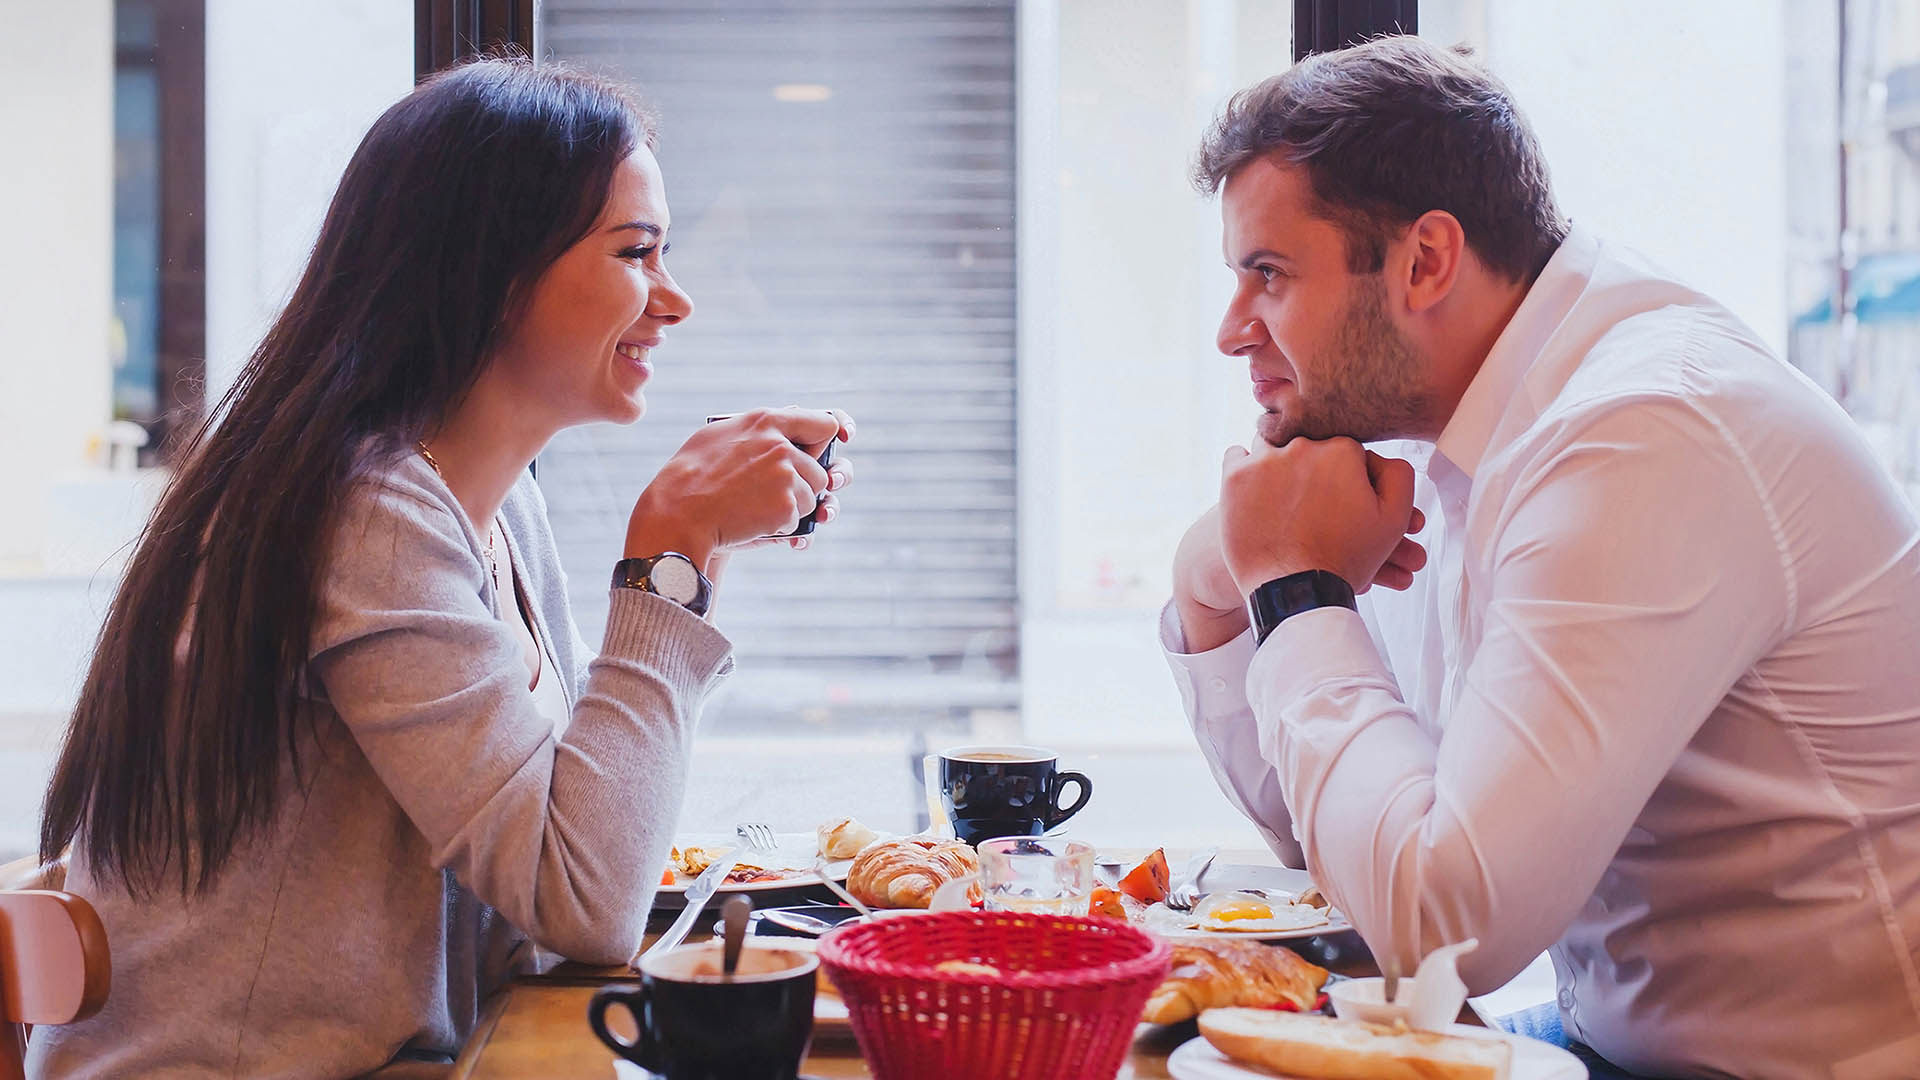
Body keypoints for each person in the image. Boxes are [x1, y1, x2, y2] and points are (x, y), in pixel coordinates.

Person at [30, 59, 852, 1078]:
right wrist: (669, 555)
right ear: (489, 270)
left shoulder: (500, 505)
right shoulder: (365, 512)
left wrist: (691, 553)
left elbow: (567, 873)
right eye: (636, 252)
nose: (673, 300)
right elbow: (585, 902)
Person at [1164, 36, 1920, 1079]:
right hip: (1602, 1042)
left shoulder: (1646, 432)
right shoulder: (1443, 439)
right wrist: (1218, 585)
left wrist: (1294, 593)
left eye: (1270, 276)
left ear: (1426, 260)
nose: (1231, 331)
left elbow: (1442, 931)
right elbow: (1333, 839)